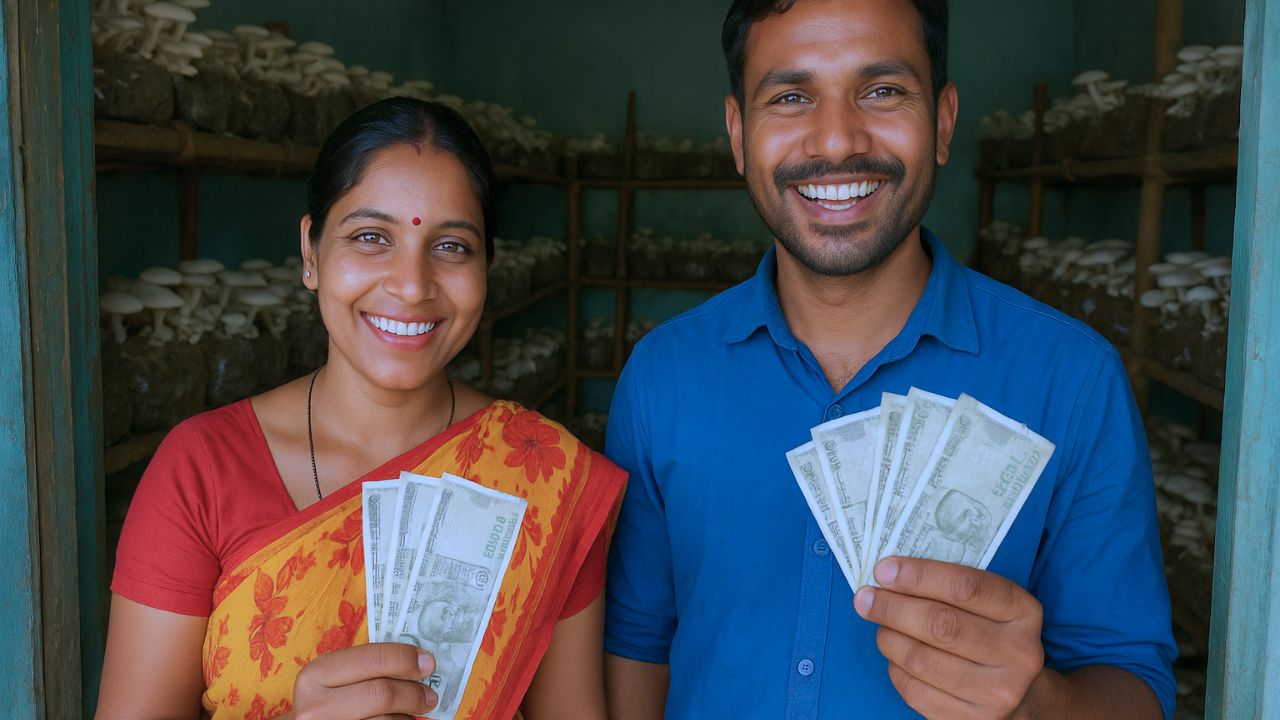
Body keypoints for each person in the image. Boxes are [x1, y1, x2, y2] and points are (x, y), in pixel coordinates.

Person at [603, 0, 1176, 718]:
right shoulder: (661, 378)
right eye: (789, 96)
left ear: (942, 121)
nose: (838, 140)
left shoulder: (1074, 380)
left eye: (882, 91)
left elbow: (1134, 682)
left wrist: (1038, 704)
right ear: (738, 134)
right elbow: (637, 648)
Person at [98, 97, 625, 720]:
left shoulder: (546, 478)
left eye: (452, 246)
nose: (411, 284)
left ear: (488, 266)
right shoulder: (201, 468)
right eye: (371, 237)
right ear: (311, 252)